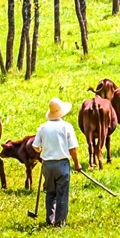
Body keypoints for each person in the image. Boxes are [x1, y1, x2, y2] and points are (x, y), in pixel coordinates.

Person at [32, 97, 83, 227]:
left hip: (47, 165)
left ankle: (50, 220)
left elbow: (35, 146)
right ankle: (60, 222)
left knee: (50, 192)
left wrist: (41, 150)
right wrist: (77, 163)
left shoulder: (43, 127)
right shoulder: (67, 127)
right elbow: (72, 148)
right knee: (62, 193)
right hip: (62, 165)